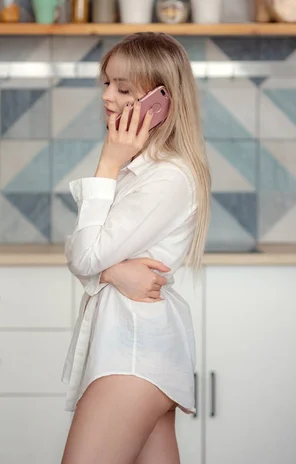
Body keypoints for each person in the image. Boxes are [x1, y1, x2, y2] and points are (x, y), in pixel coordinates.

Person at [61, 32, 211, 464]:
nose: (108, 96)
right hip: (136, 350)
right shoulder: (141, 171)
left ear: (162, 100)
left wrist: (107, 162)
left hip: (133, 355)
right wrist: (110, 271)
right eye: (106, 83)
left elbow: (84, 255)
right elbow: (84, 251)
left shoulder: (166, 178)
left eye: (124, 88)